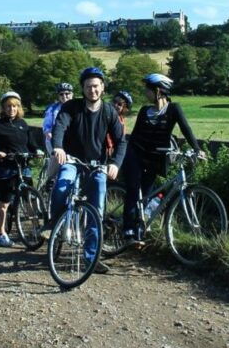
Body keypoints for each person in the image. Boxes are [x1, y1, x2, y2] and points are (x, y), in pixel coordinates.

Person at [46, 67, 127, 274]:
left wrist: (115, 163)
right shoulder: (71, 107)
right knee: (62, 184)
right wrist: (58, 147)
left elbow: (121, 141)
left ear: (102, 88)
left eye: (96, 86)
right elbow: (59, 127)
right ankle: (52, 225)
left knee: (97, 209)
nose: (93, 90)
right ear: (83, 88)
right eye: (89, 86)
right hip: (73, 160)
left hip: (97, 165)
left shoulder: (109, 111)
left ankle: (92, 258)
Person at [121, 73, 204, 247]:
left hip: (155, 158)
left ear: (158, 91)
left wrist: (197, 149)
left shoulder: (174, 109)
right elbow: (135, 136)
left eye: (148, 89)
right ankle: (128, 232)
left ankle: (139, 228)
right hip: (135, 154)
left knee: (148, 194)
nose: (145, 93)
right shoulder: (145, 111)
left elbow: (186, 129)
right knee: (134, 190)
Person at [0, 91, 39, 247]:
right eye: (9, 106)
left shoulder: (23, 124)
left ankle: (36, 228)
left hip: (23, 166)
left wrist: (37, 151)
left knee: (30, 199)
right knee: (4, 203)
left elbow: (31, 144)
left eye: (15, 106)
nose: (12, 109)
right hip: (6, 167)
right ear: (3, 108)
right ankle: (0, 234)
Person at [42, 83, 73, 180]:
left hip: (71, 141)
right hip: (54, 140)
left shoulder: (77, 107)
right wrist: (48, 132)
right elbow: (47, 125)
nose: (64, 96)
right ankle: (49, 181)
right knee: (57, 159)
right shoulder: (53, 109)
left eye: (67, 93)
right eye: (61, 94)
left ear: (72, 94)